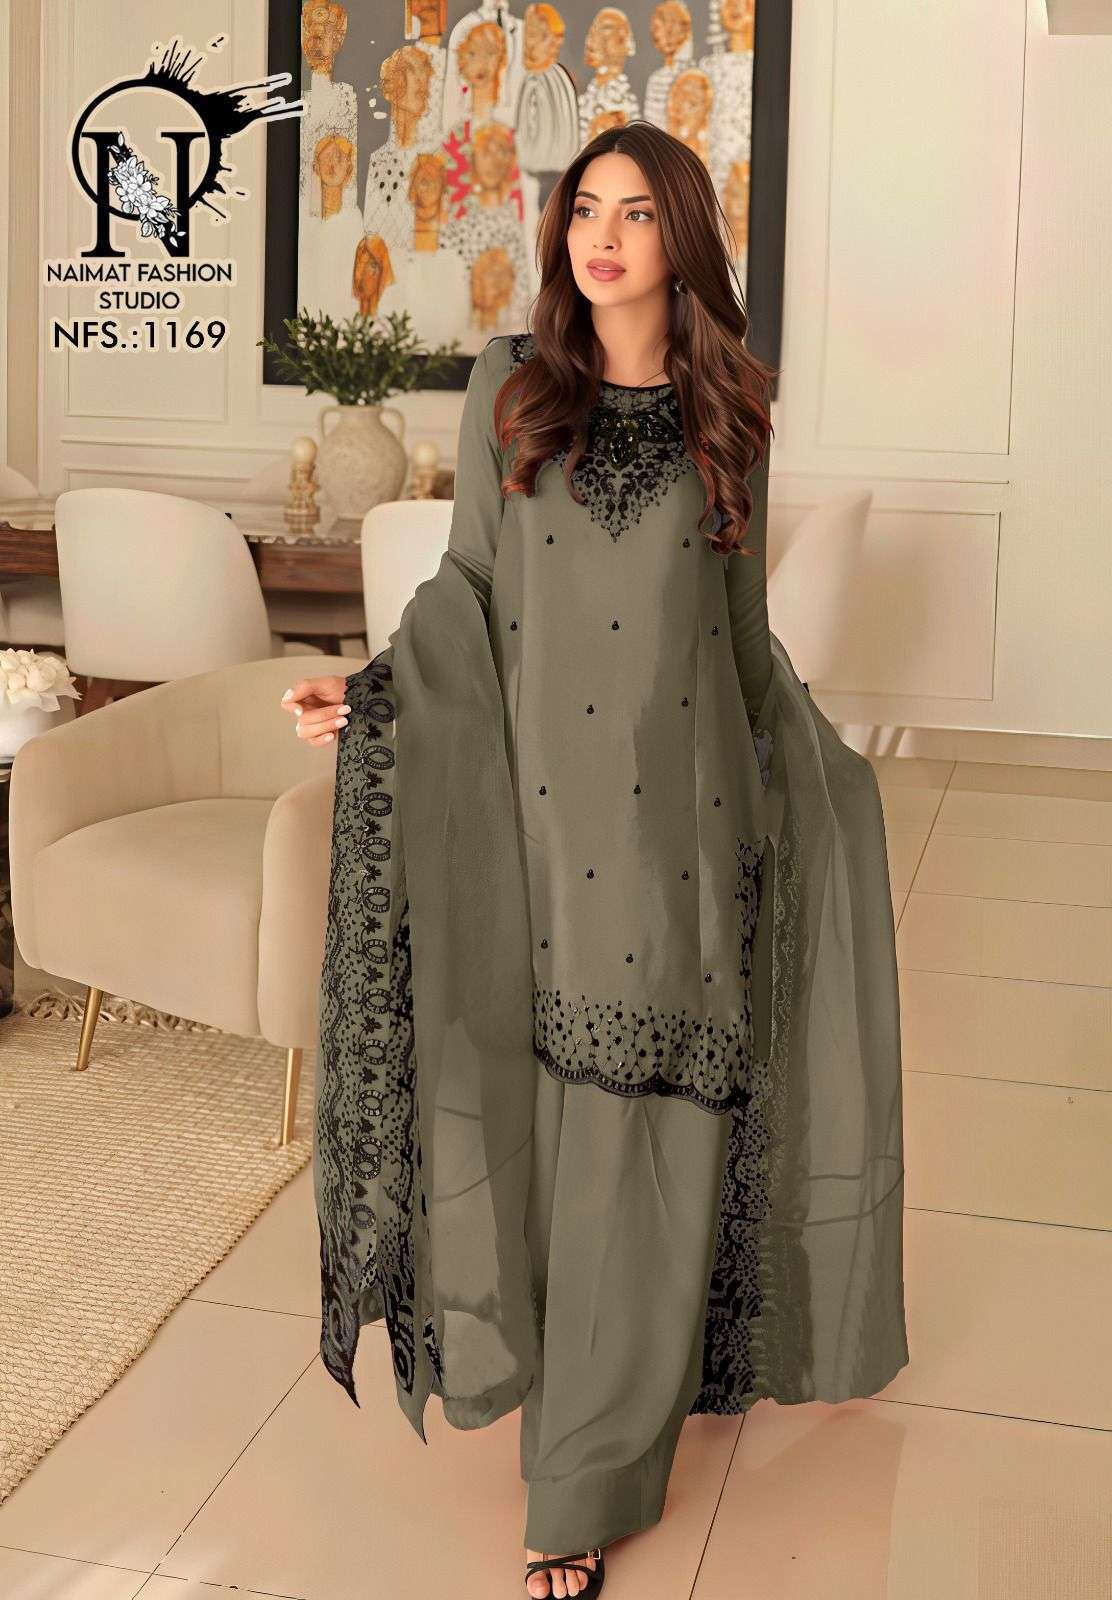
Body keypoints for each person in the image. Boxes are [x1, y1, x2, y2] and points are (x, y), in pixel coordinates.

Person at [282, 121, 909, 1600]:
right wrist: (374, 694)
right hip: (535, 828)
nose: (602, 239)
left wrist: (813, 781)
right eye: (584, 212)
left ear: (681, 241)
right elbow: (468, 588)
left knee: (644, 1148)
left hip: (680, 832)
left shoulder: (729, 414)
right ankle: (579, 1398)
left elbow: (739, 636)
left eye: (634, 214)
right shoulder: (513, 392)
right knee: (551, 1135)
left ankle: (576, 1486)